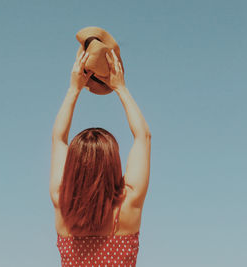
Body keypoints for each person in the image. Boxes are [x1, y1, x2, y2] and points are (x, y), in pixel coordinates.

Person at [50, 49, 151, 266]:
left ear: (73, 166)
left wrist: (73, 89)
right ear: (112, 164)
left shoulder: (63, 204)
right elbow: (143, 136)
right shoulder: (127, 206)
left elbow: (58, 139)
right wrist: (120, 87)